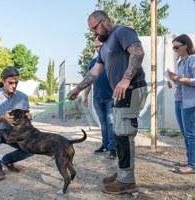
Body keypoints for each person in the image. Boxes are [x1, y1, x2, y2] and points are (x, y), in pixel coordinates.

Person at [68, 10, 147, 195]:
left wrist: (126, 79)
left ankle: (127, 181)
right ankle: (123, 173)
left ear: (104, 21)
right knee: (119, 133)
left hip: (132, 87)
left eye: (94, 28)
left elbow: (138, 52)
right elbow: (94, 72)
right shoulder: (103, 48)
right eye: (91, 30)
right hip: (119, 93)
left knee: (124, 133)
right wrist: (78, 89)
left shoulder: (121, 32)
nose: (93, 33)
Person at [0, 66, 33, 180]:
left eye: (16, 83)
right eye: (11, 82)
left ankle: (7, 160)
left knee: (33, 147)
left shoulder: (23, 97)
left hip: (14, 132)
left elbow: (25, 119)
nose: (14, 86)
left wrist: (28, 118)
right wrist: (3, 118)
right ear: (2, 80)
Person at [167, 34, 195, 174]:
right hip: (180, 100)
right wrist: (173, 82)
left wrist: (177, 77)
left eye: (176, 47)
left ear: (185, 45)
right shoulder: (181, 62)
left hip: (191, 102)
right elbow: (181, 82)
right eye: (173, 48)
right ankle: (190, 159)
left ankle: (192, 165)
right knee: (185, 133)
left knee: (190, 134)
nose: (175, 50)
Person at [83, 37, 117, 159]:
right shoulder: (93, 63)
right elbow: (89, 81)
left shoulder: (112, 60)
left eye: (99, 46)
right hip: (97, 98)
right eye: (95, 47)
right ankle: (105, 145)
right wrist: (85, 96)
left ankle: (113, 148)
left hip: (111, 98)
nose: (97, 49)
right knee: (103, 124)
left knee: (111, 122)